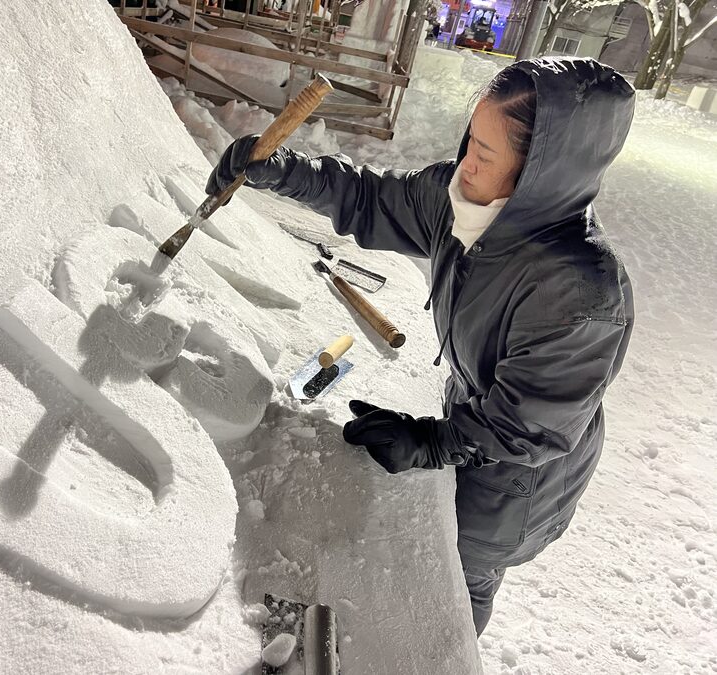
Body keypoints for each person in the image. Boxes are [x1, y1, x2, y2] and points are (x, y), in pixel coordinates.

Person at [206, 57, 635, 635]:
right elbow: (372, 198)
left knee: (456, 585)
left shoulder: (580, 290)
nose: (465, 164)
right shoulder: (469, 201)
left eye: (485, 153)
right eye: (469, 142)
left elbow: (529, 426)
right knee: (426, 554)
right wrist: (284, 171)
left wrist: (434, 440)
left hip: (518, 480)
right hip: (476, 423)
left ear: (539, 172)